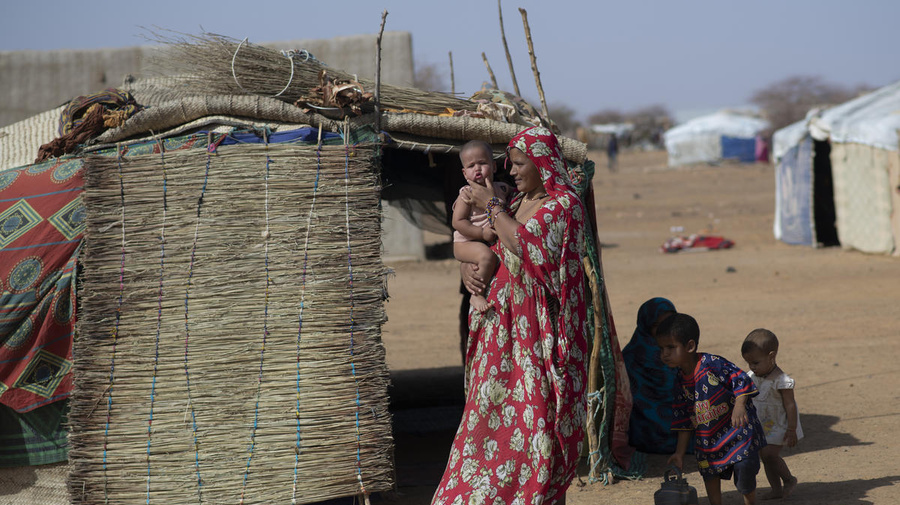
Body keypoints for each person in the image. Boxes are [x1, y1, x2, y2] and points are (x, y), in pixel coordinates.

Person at [432, 127, 589, 505]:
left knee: (538, 428)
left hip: (541, 336)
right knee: (488, 420)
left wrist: (493, 205)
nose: (511, 171)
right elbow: (491, 245)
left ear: (542, 163)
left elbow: (529, 248)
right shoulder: (517, 202)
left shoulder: (563, 205)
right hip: (500, 333)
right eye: (511, 164)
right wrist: (466, 269)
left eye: (519, 164)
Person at [656, 313, 766, 505]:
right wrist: (679, 454)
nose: (664, 354)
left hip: (737, 433)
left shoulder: (712, 364)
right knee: (709, 472)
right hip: (708, 439)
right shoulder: (679, 380)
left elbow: (741, 379)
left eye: (671, 347)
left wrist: (739, 406)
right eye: (662, 348)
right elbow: (683, 420)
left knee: (745, 470)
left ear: (690, 346)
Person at [451, 140, 513, 312]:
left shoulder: (501, 188)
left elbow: (517, 193)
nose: (477, 169)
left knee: (487, 258)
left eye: (482, 163)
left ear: (494, 167)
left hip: (483, 241)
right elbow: (457, 222)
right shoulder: (466, 194)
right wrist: (481, 233)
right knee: (487, 257)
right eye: (471, 166)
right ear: (464, 173)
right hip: (465, 243)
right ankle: (476, 295)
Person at [741, 329, 802, 500]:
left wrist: (791, 429)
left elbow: (790, 405)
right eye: (748, 363)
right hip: (761, 425)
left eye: (755, 362)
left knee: (769, 455)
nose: (751, 367)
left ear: (771, 356)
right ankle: (776, 489)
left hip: (779, 425)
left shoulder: (781, 380)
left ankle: (789, 479)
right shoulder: (752, 376)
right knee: (766, 458)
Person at [621, 297, 679, 454]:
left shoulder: (679, 350)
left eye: (669, 323)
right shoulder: (631, 357)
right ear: (645, 325)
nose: (664, 329)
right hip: (646, 431)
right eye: (657, 325)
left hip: (680, 425)